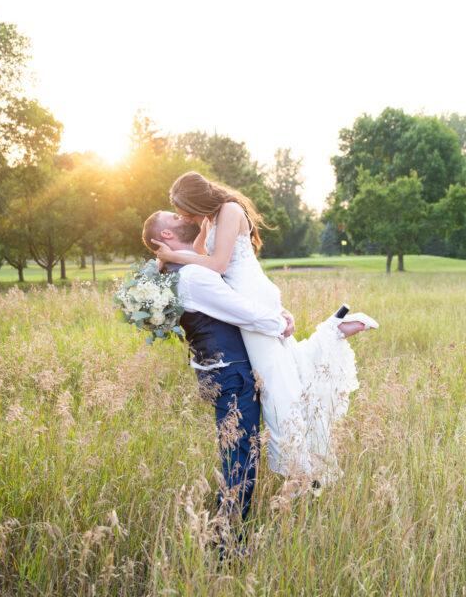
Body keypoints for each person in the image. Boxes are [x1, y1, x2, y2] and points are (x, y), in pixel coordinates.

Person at [145, 199, 376, 485]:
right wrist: (280, 323)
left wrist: (279, 312)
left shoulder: (186, 267)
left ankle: (332, 333)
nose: (183, 216)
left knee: (271, 408)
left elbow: (236, 295)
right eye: (175, 216)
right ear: (166, 234)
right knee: (241, 453)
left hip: (230, 365)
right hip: (230, 370)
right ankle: (243, 512)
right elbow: (240, 310)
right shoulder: (192, 274)